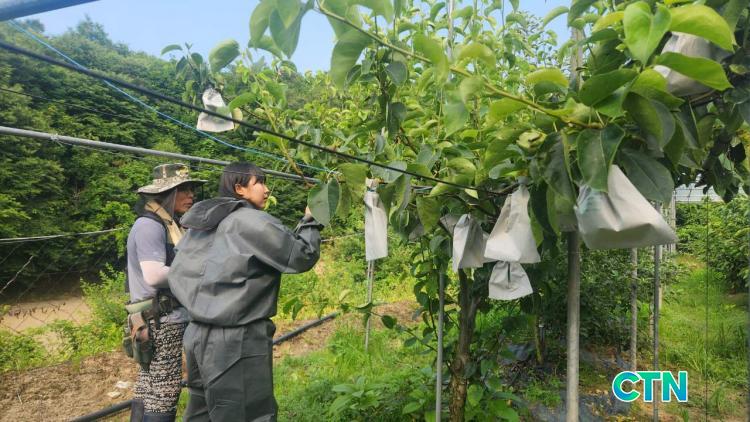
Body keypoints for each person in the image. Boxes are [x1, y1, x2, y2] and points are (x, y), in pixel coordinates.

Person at [168, 161, 323, 421]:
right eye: (259, 182)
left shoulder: (204, 222)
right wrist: (311, 219)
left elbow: (177, 272)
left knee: (202, 412)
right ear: (239, 188)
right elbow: (300, 255)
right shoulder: (250, 221)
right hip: (236, 338)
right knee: (248, 412)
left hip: (196, 334)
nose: (266, 189)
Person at [126, 163, 206, 422]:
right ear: (166, 194)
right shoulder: (150, 226)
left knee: (149, 387)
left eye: (192, 189)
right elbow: (154, 274)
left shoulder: (168, 223)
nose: (191, 195)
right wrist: (199, 270)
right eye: (184, 190)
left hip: (155, 318)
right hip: (161, 320)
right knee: (164, 392)